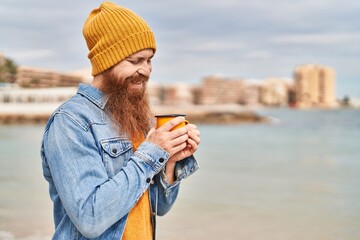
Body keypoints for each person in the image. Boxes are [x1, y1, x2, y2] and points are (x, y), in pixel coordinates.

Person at [40, 2, 200, 239]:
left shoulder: (137, 115)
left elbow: (160, 208)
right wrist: (152, 153)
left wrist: (170, 162)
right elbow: (90, 218)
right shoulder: (71, 122)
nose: (146, 70)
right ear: (107, 61)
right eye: (135, 61)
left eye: (149, 60)